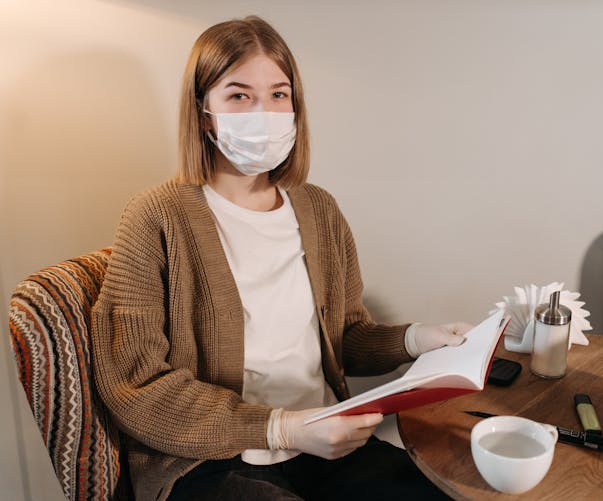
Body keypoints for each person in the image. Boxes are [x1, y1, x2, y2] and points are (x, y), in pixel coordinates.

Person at [90, 15, 471, 501]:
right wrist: (283, 428)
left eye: (278, 94)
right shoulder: (155, 217)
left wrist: (420, 338)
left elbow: (345, 338)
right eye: (239, 95)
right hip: (213, 460)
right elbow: (137, 386)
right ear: (204, 111)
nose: (264, 111)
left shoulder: (319, 208)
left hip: (329, 440)